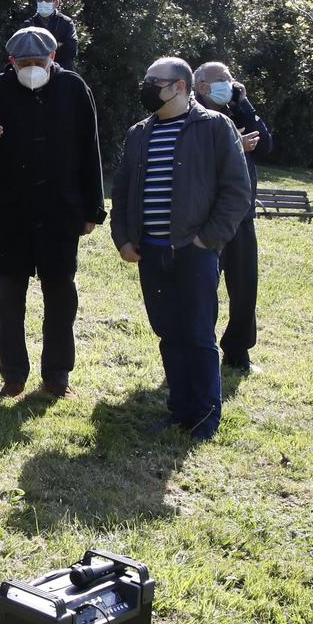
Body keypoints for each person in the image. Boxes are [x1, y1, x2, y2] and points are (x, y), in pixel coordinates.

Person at [109, 56, 252, 440]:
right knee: (169, 332)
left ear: (180, 87)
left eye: (155, 81)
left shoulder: (215, 127)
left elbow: (237, 192)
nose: (147, 86)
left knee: (197, 333)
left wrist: (207, 240)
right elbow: (122, 189)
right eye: (146, 78)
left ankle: (204, 417)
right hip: (149, 252)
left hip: (193, 251)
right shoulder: (139, 132)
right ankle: (180, 409)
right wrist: (122, 237)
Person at [0, 26, 105, 396]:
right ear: (11, 62)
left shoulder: (74, 88)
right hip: (10, 211)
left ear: (52, 58)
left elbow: (90, 149)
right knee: (8, 295)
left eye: (37, 62)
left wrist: (93, 208)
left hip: (61, 211)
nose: (30, 68)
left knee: (61, 295)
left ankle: (57, 377)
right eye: (22, 63)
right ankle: (13, 375)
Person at [194, 60, 272, 373]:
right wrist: (234, 144)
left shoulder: (237, 109)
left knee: (244, 286)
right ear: (200, 86)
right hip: (207, 215)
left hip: (242, 214)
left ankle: (238, 352)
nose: (229, 84)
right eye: (221, 80)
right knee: (202, 286)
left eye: (231, 79)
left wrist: (244, 103)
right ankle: (200, 349)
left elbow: (266, 145)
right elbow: (193, 154)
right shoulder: (192, 113)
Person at [28, 0, 80, 71]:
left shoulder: (66, 22)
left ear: (57, 3)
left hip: (62, 72)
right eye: (40, 0)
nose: (43, 3)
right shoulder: (29, 23)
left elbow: (71, 50)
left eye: (48, 0)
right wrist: (57, 45)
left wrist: (41, 48)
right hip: (37, 72)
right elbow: (25, 50)